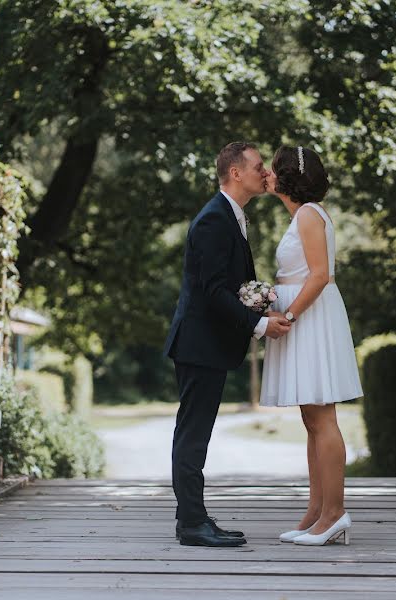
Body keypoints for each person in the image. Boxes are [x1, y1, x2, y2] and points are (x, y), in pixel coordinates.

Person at [163, 141, 292, 547]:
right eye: (258, 167)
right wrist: (257, 324)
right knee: (193, 434)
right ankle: (192, 526)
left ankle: (193, 518)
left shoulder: (231, 216)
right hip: (199, 344)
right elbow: (213, 292)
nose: (265, 174)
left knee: (195, 432)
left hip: (206, 344)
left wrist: (258, 310)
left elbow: (230, 287)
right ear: (235, 173)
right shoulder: (213, 220)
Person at [259, 145, 364, 546]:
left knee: (323, 419)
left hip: (311, 318)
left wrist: (290, 314)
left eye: (272, 170)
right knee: (311, 420)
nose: (266, 174)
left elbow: (320, 275)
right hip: (307, 316)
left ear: (285, 177)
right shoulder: (301, 213)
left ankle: (334, 513)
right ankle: (316, 510)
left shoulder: (307, 215)